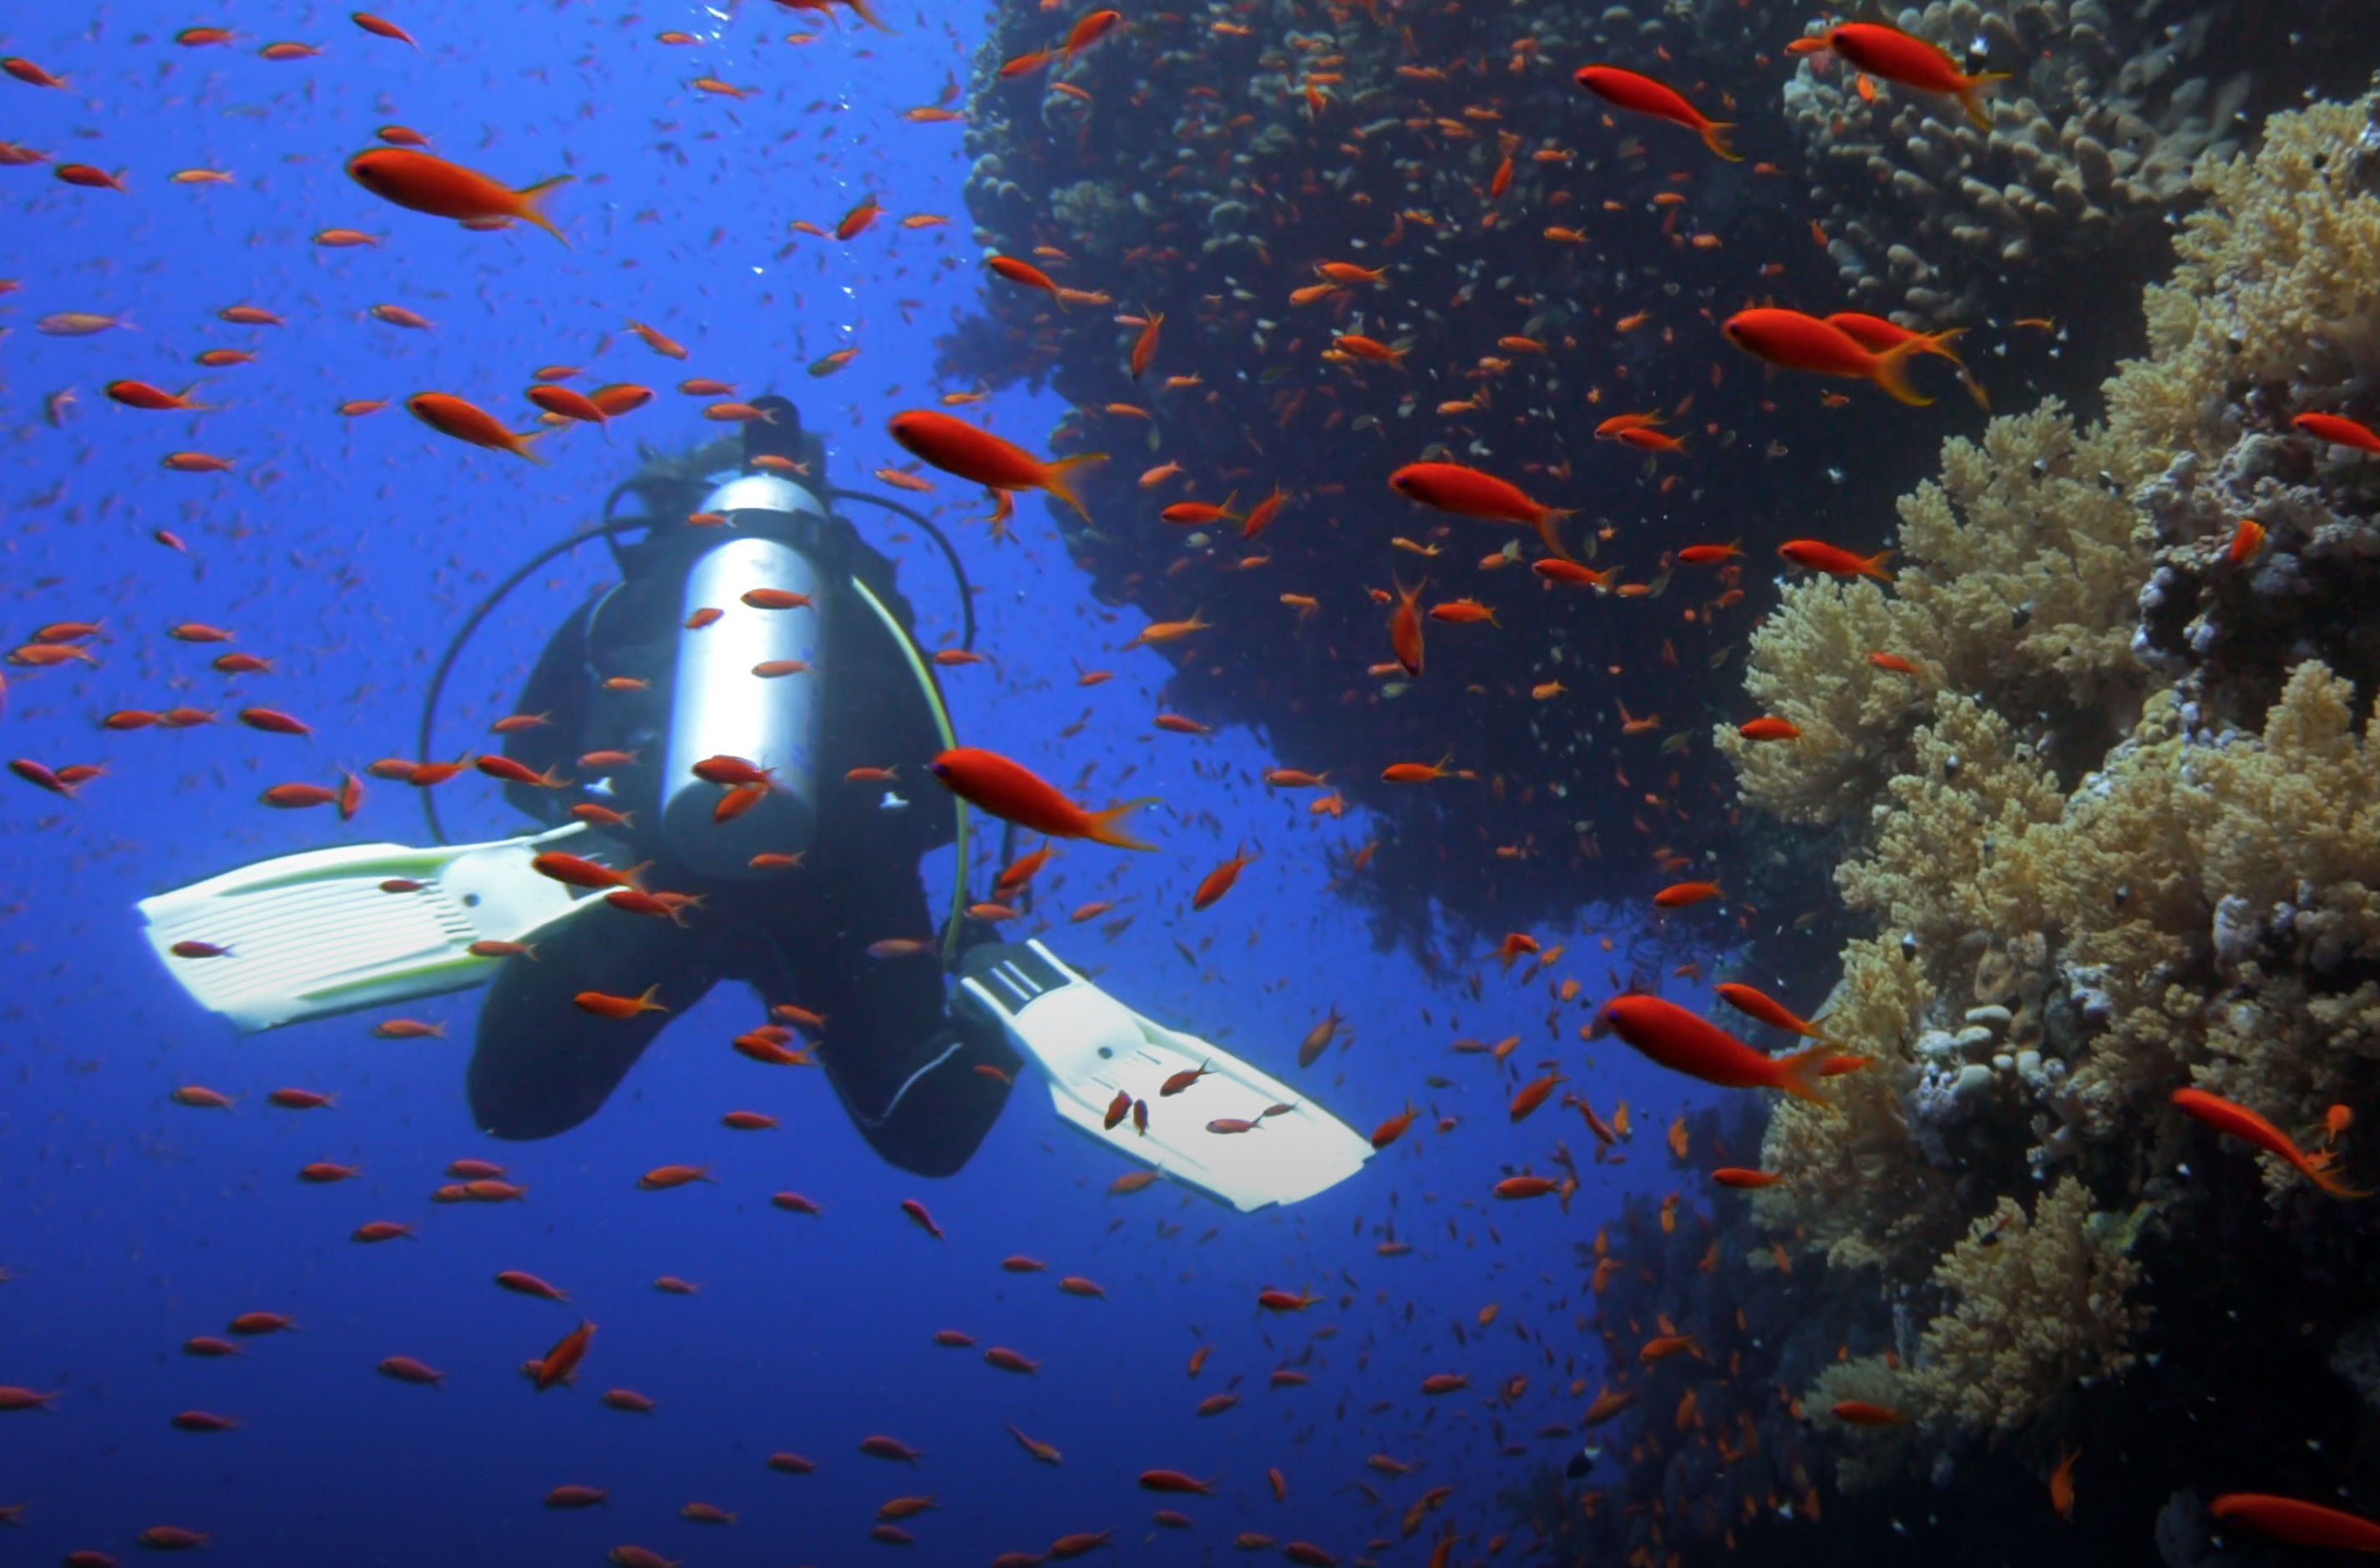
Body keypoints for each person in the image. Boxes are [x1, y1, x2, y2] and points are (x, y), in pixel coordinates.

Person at [138, 395, 1375, 1205]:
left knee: (513, 1105)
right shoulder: (858, 603)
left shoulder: (628, 600)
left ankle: (556, 884)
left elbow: (528, 742)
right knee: (920, 1132)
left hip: (640, 865)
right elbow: (933, 762)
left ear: (667, 519)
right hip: (845, 893)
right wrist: (930, 904)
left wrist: (583, 836)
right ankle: (998, 984)